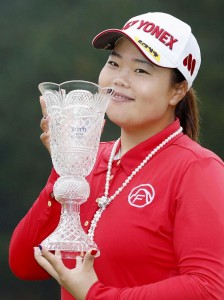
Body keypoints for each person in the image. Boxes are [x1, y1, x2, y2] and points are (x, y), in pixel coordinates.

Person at [9, 11, 224, 300]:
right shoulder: (92, 161)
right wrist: (65, 166)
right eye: (114, 63)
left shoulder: (198, 169)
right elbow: (25, 263)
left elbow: (210, 288)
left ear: (177, 91)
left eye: (141, 71)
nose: (119, 79)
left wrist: (95, 294)